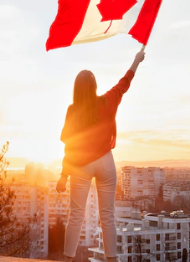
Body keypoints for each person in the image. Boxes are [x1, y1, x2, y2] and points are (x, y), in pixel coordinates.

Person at [56, 48, 146, 262]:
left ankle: (68, 259)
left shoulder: (72, 110)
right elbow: (124, 83)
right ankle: (112, 260)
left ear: (75, 89)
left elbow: (70, 145)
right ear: (95, 87)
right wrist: (136, 61)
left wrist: (63, 175)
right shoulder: (107, 101)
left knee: (76, 216)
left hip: (81, 165)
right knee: (108, 217)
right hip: (105, 163)